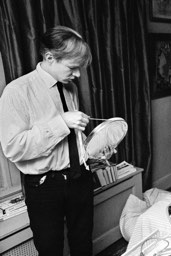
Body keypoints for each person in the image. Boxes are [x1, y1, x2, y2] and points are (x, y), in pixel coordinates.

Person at [0, 26, 93, 256]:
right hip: (44, 187)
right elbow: (13, 147)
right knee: (50, 250)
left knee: (83, 245)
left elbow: (70, 139)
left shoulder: (69, 87)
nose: (78, 75)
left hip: (80, 178)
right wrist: (61, 123)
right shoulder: (16, 91)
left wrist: (92, 149)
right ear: (50, 57)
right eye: (73, 67)